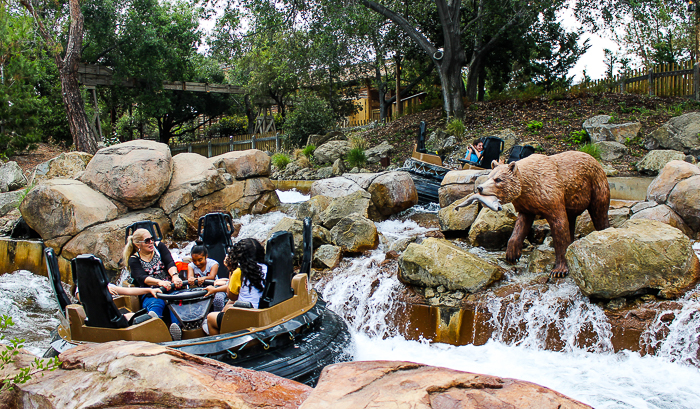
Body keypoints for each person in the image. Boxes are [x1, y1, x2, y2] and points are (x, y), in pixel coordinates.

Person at [123, 228, 183, 340]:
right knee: (156, 303)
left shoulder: (159, 247)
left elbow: (169, 262)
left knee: (174, 302)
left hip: (170, 289)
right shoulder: (134, 259)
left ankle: (177, 329)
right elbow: (142, 278)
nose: (151, 242)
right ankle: (155, 326)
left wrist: (174, 276)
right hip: (151, 292)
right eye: (147, 241)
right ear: (137, 244)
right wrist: (159, 282)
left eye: (152, 239)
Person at [206, 238, 267, 336]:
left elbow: (231, 296)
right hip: (263, 313)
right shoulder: (267, 267)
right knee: (228, 307)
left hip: (247, 317)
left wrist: (231, 269)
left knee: (210, 318)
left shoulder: (239, 272)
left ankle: (219, 347)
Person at [187, 240, 227, 312]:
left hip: (216, 288)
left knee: (218, 299)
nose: (197, 263)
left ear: (206, 256)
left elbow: (212, 276)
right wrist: (191, 279)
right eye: (194, 261)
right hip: (200, 290)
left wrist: (203, 278)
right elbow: (190, 277)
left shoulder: (213, 264)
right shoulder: (191, 266)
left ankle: (218, 315)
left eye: (200, 260)